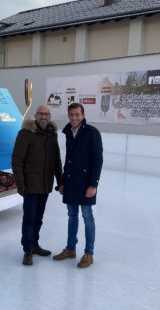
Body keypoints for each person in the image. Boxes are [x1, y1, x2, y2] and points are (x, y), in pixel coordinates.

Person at [11, 105, 63, 266]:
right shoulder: (25, 134)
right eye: (41, 113)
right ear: (35, 115)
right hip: (30, 185)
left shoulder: (51, 134)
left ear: (49, 116)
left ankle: (34, 245)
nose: (43, 117)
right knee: (29, 218)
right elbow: (17, 160)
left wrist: (60, 181)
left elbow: (56, 161)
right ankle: (27, 250)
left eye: (46, 114)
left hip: (45, 185)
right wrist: (20, 183)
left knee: (38, 218)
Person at [53, 103, 103, 268]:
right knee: (72, 216)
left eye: (77, 115)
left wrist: (93, 184)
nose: (74, 118)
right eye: (71, 115)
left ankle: (89, 252)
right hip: (71, 182)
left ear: (83, 115)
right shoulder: (68, 132)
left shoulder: (91, 133)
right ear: (68, 115)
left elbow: (97, 160)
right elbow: (68, 160)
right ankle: (71, 248)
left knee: (87, 216)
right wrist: (62, 183)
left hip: (86, 184)